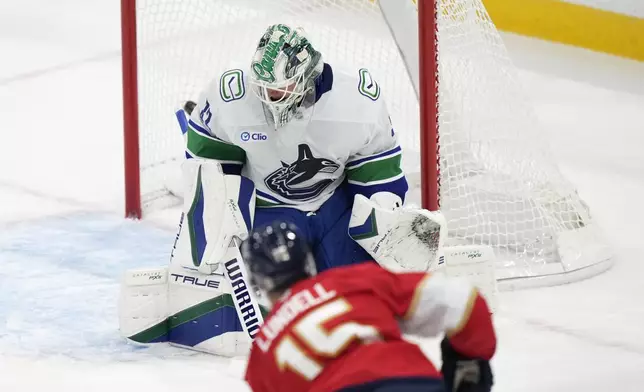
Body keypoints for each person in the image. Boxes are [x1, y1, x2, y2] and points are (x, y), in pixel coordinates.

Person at [182, 22, 408, 274]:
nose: (268, 95)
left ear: (308, 76)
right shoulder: (231, 97)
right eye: (263, 86)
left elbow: (378, 176)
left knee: (358, 282)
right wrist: (218, 218)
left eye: (279, 88)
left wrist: (384, 222)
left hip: (334, 207)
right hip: (267, 208)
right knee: (275, 296)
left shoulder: (357, 100)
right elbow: (210, 172)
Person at [240, 221, 496, 392]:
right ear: (307, 262)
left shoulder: (261, 353)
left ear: (256, 282)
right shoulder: (353, 280)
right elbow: (463, 300)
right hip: (413, 382)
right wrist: (467, 361)